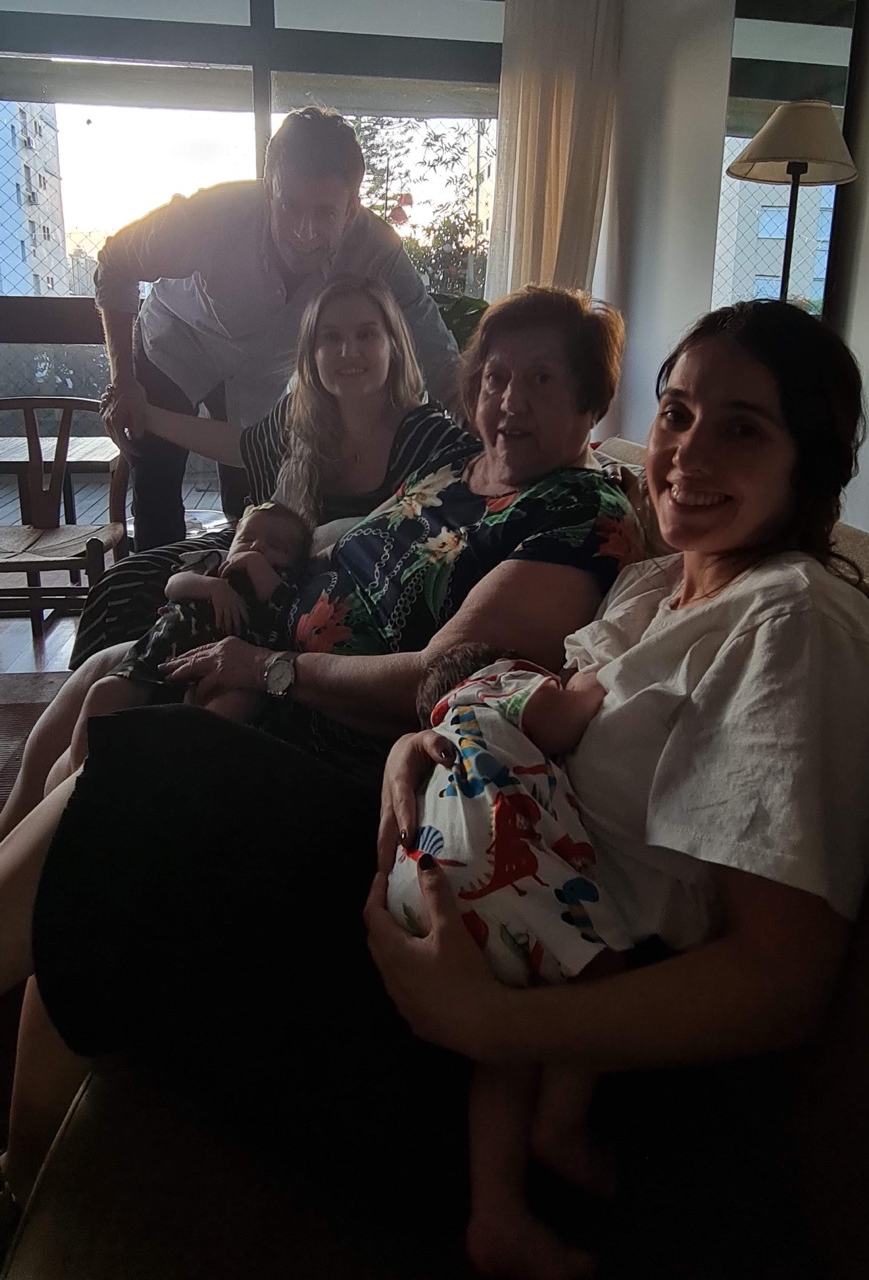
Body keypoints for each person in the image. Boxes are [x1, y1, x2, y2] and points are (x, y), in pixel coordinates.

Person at [0, 285, 637, 1214]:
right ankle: (21, 1162)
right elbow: (322, 544)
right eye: (497, 376)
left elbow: (437, 676)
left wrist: (270, 669)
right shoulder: (456, 473)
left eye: (543, 379)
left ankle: (19, 1169)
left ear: (591, 401)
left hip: (346, 759)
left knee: (129, 777)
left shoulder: (578, 511)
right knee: (105, 735)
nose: (511, 400)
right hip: (270, 680)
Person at [367, 300, 869, 1280]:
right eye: (678, 413)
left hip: (584, 1037)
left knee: (168, 781)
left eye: (743, 428)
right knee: (166, 768)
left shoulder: (798, 623)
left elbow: (779, 980)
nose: (688, 452)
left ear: (810, 464)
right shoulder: (654, 589)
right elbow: (527, 728)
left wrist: (488, 1024)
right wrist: (422, 752)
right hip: (489, 908)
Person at [0, 275, 441, 841]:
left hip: (305, 623)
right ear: (311, 354)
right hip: (250, 570)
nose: (347, 351)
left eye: (366, 334)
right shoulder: (303, 418)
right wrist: (147, 415)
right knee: (108, 638)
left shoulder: (423, 437)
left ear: (394, 343)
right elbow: (237, 444)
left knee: (110, 717)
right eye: (329, 337)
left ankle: (74, 813)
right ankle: (17, 822)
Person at [95, 105, 461, 548]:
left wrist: (479, 432)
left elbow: (433, 343)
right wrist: (123, 381)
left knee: (253, 497)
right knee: (156, 478)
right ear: (270, 187)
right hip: (176, 343)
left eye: (325, 213)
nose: (304, 233)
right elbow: (115, 263)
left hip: (261, 375)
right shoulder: (210, 214)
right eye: (290, 206)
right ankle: (156, 582)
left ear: (352, 208)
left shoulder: (376, 247)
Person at [388, 641, 622, 1280]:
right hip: (486, 871)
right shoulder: (497, 683)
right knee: (600, 973)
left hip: (417, 883)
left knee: (508, 1040)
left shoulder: (440, 734)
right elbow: (565, 719)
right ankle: (560, 1128)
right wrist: (592, 678)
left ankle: (496, 1218)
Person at [50, 501, 311, 792]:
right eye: (247, 538)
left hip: (229, 676)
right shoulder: (214, 563)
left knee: (228, 710)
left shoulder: (283, 584)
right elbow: (173, 585)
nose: (257, 547)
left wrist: (255, 564)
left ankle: (174, 773)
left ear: (295, 560)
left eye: (275, 546)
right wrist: (213, 586)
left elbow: (282, 608)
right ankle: (80, 779)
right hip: (159, 658)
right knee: (103, 692)